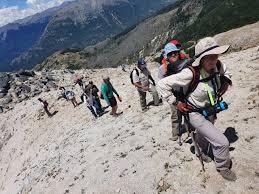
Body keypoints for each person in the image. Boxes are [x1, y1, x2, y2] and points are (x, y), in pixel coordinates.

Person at [157, 37, 236, 181]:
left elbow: (227, 71)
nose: (214, 60)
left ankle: (202, 152)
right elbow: (161, 84)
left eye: (216, 55)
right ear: (201, 59)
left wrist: (226, 81)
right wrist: (175, 102)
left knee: (204, 133)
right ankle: (223, 166)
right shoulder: (190, 73)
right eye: (209, 57)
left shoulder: (217, 65)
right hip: (195, 113)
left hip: (210, 108)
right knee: (223, 142)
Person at [158, 43, 191, 140]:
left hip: (186, 92)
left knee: (187, 113)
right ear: (166, 56)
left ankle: (189, 130)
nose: (173, 55)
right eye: (170, 54)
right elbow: (160, 83)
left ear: (178, 52)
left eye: (174, 53)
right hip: (173, 95)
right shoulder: (162, 69)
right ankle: (176, 133)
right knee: (175, 115)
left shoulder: (185, 63)